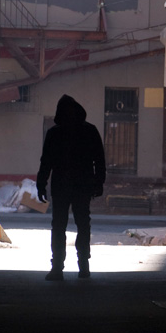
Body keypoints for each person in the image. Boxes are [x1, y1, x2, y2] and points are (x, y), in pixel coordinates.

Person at [37, 94, 106, 281]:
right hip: (82, 184)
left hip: (61, 185)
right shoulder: (89, 131)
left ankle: (57, 267)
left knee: (59, 226)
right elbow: (99, 159)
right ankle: (83, 265)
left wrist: (41, 184)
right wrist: (99, 182)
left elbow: (46, 162)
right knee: (83, 224)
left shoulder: (54, 133)